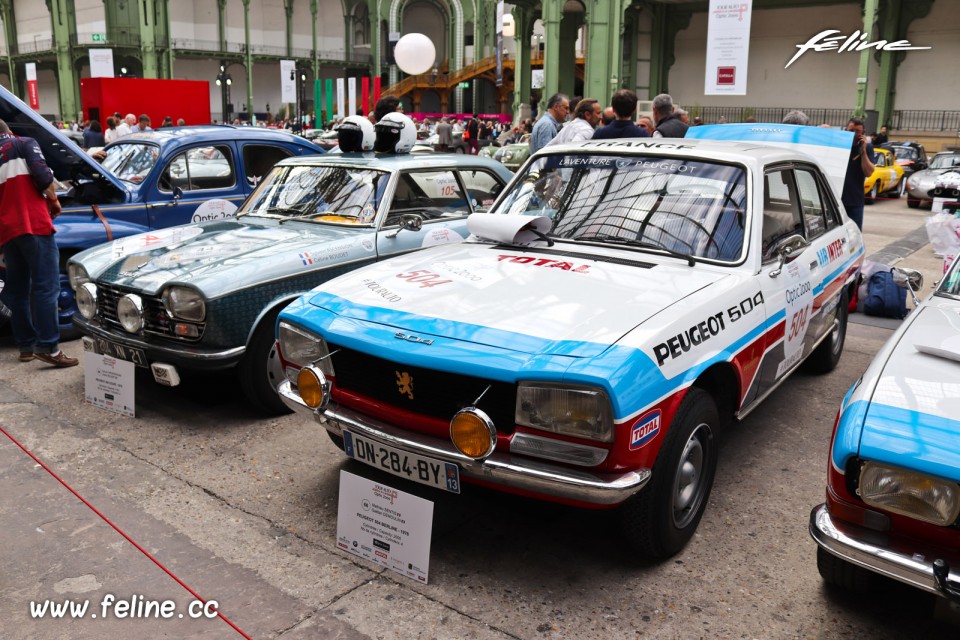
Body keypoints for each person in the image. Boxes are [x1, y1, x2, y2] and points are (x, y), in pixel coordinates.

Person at [0, 119, 78, 367]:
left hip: (7, 232)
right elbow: (44, 177)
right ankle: (48, 348)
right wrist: (54, 201)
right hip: (33, 224)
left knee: (18, 290)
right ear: (9, 131)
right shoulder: (24, 143)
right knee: (47, 287)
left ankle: (26, 346)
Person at [841, 117, 876, 231]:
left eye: (857, 131)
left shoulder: (868, 148)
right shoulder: (839, 146)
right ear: (845, 130)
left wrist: (863, 151)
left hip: (855, 201)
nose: (853, 134)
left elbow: (869, 172)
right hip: (837, 200)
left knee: (855, 233)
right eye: (851, 130)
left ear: (863, 133)